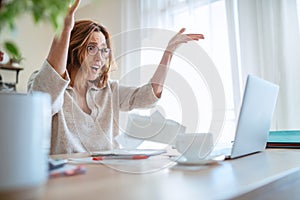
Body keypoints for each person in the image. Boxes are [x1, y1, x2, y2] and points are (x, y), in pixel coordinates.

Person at [28, 0, 204, 155]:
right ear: (73, 49)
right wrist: (66, 28)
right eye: (91, 48)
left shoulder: (109, 90)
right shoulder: (43, 83)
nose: (100, 57)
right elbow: (47, 93)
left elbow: (148, 96)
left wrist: (168, 53)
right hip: (66, 181)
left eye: (104, 50)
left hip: (106, 174)